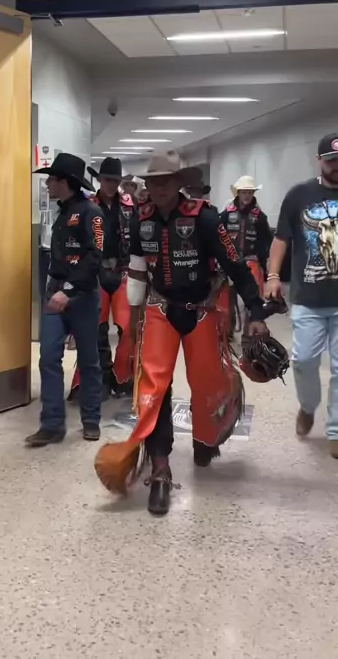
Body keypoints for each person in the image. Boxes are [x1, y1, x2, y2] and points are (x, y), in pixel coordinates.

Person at [97, 153, 268, 516]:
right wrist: (132, 322)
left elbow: (235, 264)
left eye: (166, 181)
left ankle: (206, 438)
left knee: (207, 383)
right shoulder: (142, 219)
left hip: (202, 310)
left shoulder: (205, 218)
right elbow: (138, 268)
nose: (158, 188)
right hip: (160, 311)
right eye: (153, 181)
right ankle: (160, 470)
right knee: (154, 387)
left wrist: (256, 310)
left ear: (178, 183)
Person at [266, 133, 338, 458]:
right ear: (319, 160)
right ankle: (308, 407)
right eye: (331, 161)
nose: (336, 166)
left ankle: (335, 430)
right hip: (308, 298)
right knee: (304, 361)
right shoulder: (299, 195)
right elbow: (281, 238)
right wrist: (273, 276)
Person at [26, 153, 104, 447]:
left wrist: (68, 290)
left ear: (65, 182)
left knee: (88, 360)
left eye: (51, 179)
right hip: (54, 293)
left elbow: (94, 257)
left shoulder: (91, 212)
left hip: (81, 296)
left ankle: (91, 420)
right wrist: (56, 289)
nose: (47, 184)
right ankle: (52, 425)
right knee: (48, 357)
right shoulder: (61, 213)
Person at [69, 157, 137, 400]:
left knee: (128, 328)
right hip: (94, 272)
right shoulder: (87, 205)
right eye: (107, 179)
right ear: (99, 180)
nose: (111, 184)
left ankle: (122, 377)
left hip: (123, 271)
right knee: (94, 330)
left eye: (115, 180)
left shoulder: (130, 206)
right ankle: (96, 379)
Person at [221, 176, 272, 294]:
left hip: (251, 261)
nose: (247, 196)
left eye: (250, 192)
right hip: (229, 262)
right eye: (244, 192)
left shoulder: (260, 216)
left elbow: (267, 240)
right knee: (227, 298)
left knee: (254, 296)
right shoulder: (226, 214)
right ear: (238, 193)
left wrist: (266, 263)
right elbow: (217, 235)